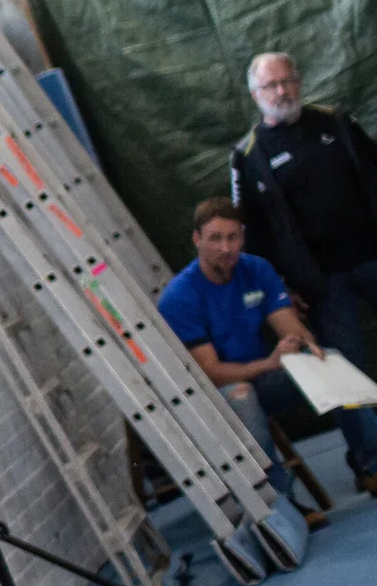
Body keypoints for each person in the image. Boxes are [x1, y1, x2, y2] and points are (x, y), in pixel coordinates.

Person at [157, 198, 377, 492]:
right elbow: (210, 372)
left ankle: (371, 465)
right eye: (216, 239)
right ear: (197, 240)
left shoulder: (257, 269)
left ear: (242, 237)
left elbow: (292, 329)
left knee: (328, 359)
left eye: (233, 237)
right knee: (242, 395)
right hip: (218, 393)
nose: (226, 247)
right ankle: (276, 503)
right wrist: (271, 362)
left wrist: (303, 345)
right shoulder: (178, 297)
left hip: (265, 378)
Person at [231, 52, 377, 494]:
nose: (283, 91)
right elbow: (249, 236)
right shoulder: (248, 157)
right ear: (256, 96)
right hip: (322, 284)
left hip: (373, 257)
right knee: (344, 372)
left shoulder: (335, 122)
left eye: (288, 81)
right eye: (272, 86)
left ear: (299, 81)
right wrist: (282, 289)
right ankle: (370, 461)